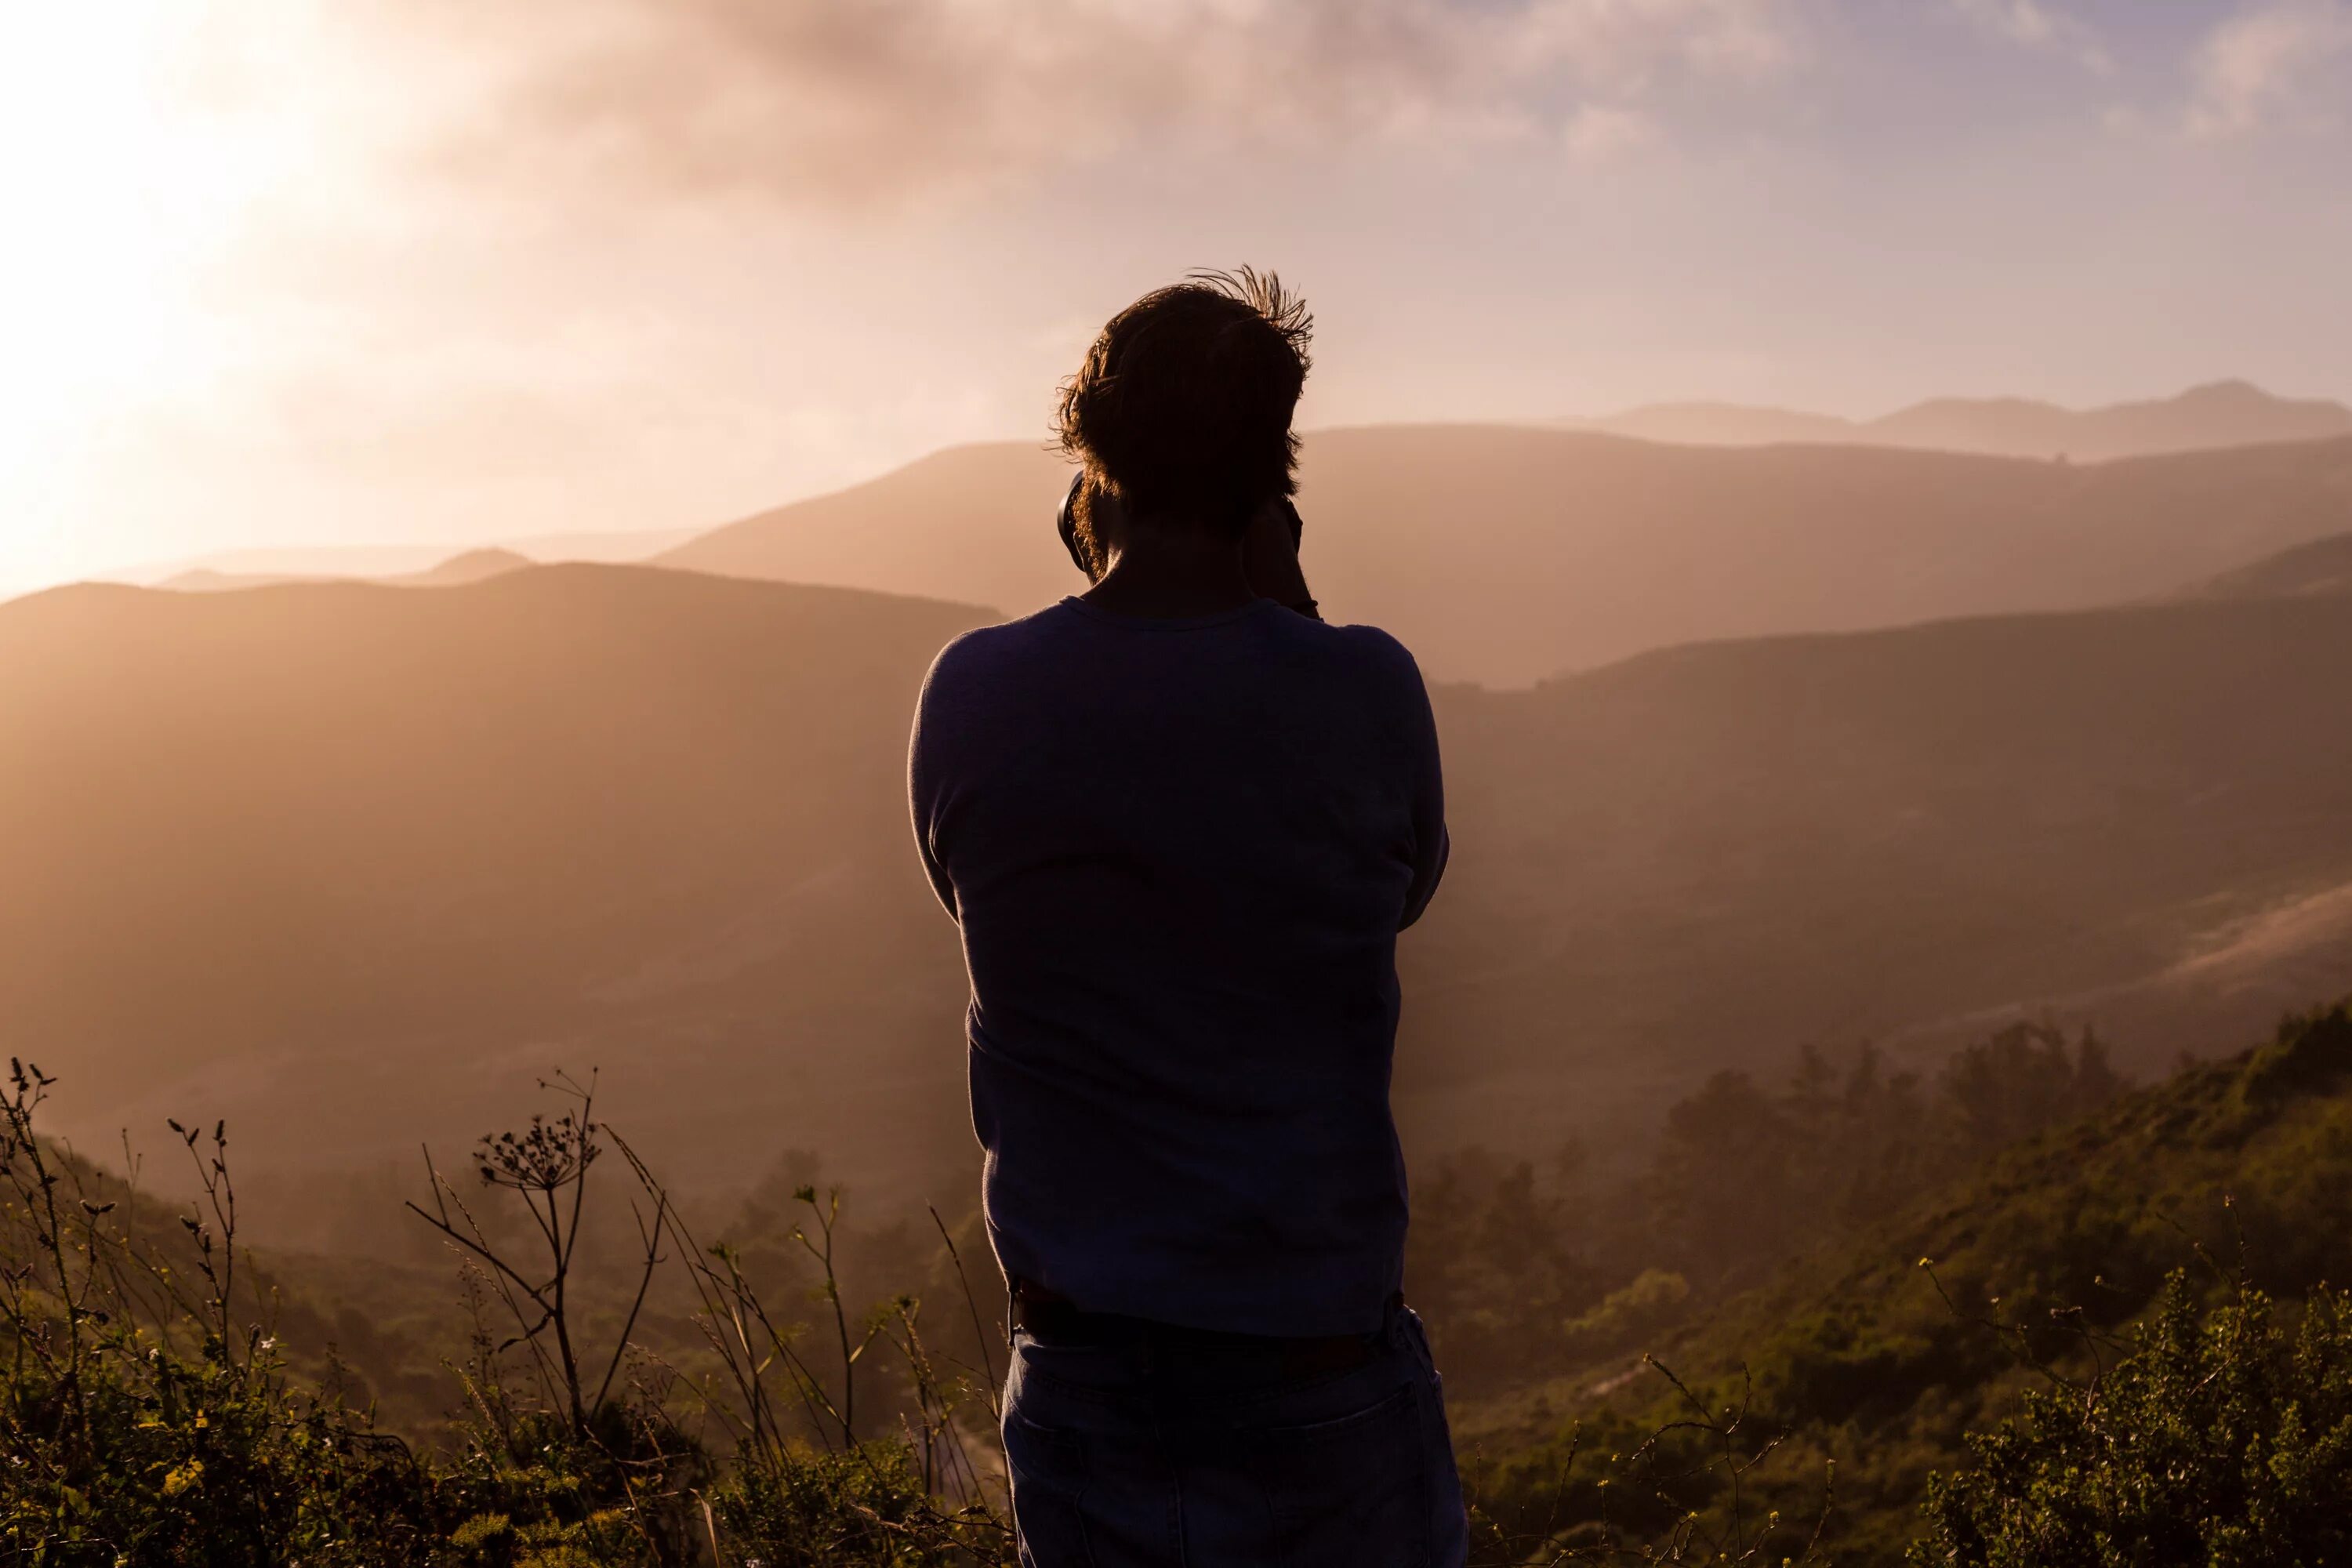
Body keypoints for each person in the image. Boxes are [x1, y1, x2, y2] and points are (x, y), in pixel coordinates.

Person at [908, 269, 1465, 1566]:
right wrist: (1298, 615)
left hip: (1091, 1372)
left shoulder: (976, 692)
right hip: (1320, 1357)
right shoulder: (1365, 690)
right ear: (1275, 472)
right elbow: (1405, 891)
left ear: (1089, 462)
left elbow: (968, 891)